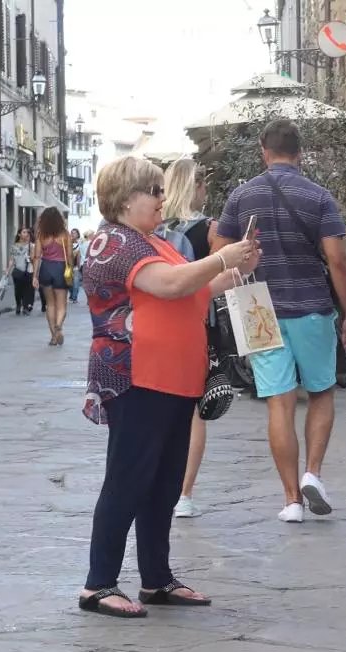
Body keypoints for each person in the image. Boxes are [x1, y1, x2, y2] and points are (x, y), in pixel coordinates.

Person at [78, 156, 260, 618]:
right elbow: (172, 285)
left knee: (163, 483)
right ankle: (98, 583)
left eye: (161, 190)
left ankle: (156, 578)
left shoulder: (150, 241)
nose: (163, 199)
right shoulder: (114, 242)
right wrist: (222, 258)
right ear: (125, 198)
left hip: (172, 377)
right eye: (154, 191)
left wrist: (235, 271)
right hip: (138, 376)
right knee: (128, 480)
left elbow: (194, 288)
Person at [212, 119, 346, 524]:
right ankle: (313, 473)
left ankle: (292, 500)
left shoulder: (241, 196)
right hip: (311, 306)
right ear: (300, 152)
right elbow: (338, 260)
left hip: (257, 307)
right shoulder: (318, 196)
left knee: (279, 401)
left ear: (264, 151)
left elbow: (218, 253)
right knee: (321, 392)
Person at [161, 158, 215, 519]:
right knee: (195, 411)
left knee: (161, 406)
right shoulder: (209, 230)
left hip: (159, 324)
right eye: (203, 184)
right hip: (196, 324)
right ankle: (184, 493)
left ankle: (161, 484)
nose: (206, 191)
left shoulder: (153, 229)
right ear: (194, 186)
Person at [32, 208, 73, 345]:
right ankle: (59, 325)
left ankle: (54, 337)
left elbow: (37, 256)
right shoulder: (65, 234)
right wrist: (71, 270)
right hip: (61, 268)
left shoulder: (41, 235)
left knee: (50, 305)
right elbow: (70, 255)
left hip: (46, 268)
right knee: (61, 305)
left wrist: (34, 276)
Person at [9, 227, 34, 315]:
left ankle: (26, 307)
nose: (26, 234)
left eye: (27, 232)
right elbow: (12, 259)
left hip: (28, 270)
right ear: (19, 234)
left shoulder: (31, 246)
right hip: (18, 271)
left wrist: (30, 256)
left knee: (27, 289)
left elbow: (34, 259)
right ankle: (18, 304)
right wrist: (8, 270)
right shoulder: (14, 246)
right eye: (24, 232)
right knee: (18, 290)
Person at [68, 228, 83, 303]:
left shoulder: (81, 244)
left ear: (78, 235)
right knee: (69, 283)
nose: (72, 234)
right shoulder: (67, 243)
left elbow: (80, 255)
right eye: (72, 233)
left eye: (74, 233)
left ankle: (74, 298)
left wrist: (79, 266)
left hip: (76, 266)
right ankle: (71, 296)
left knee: (76, 283)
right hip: (68, 267)